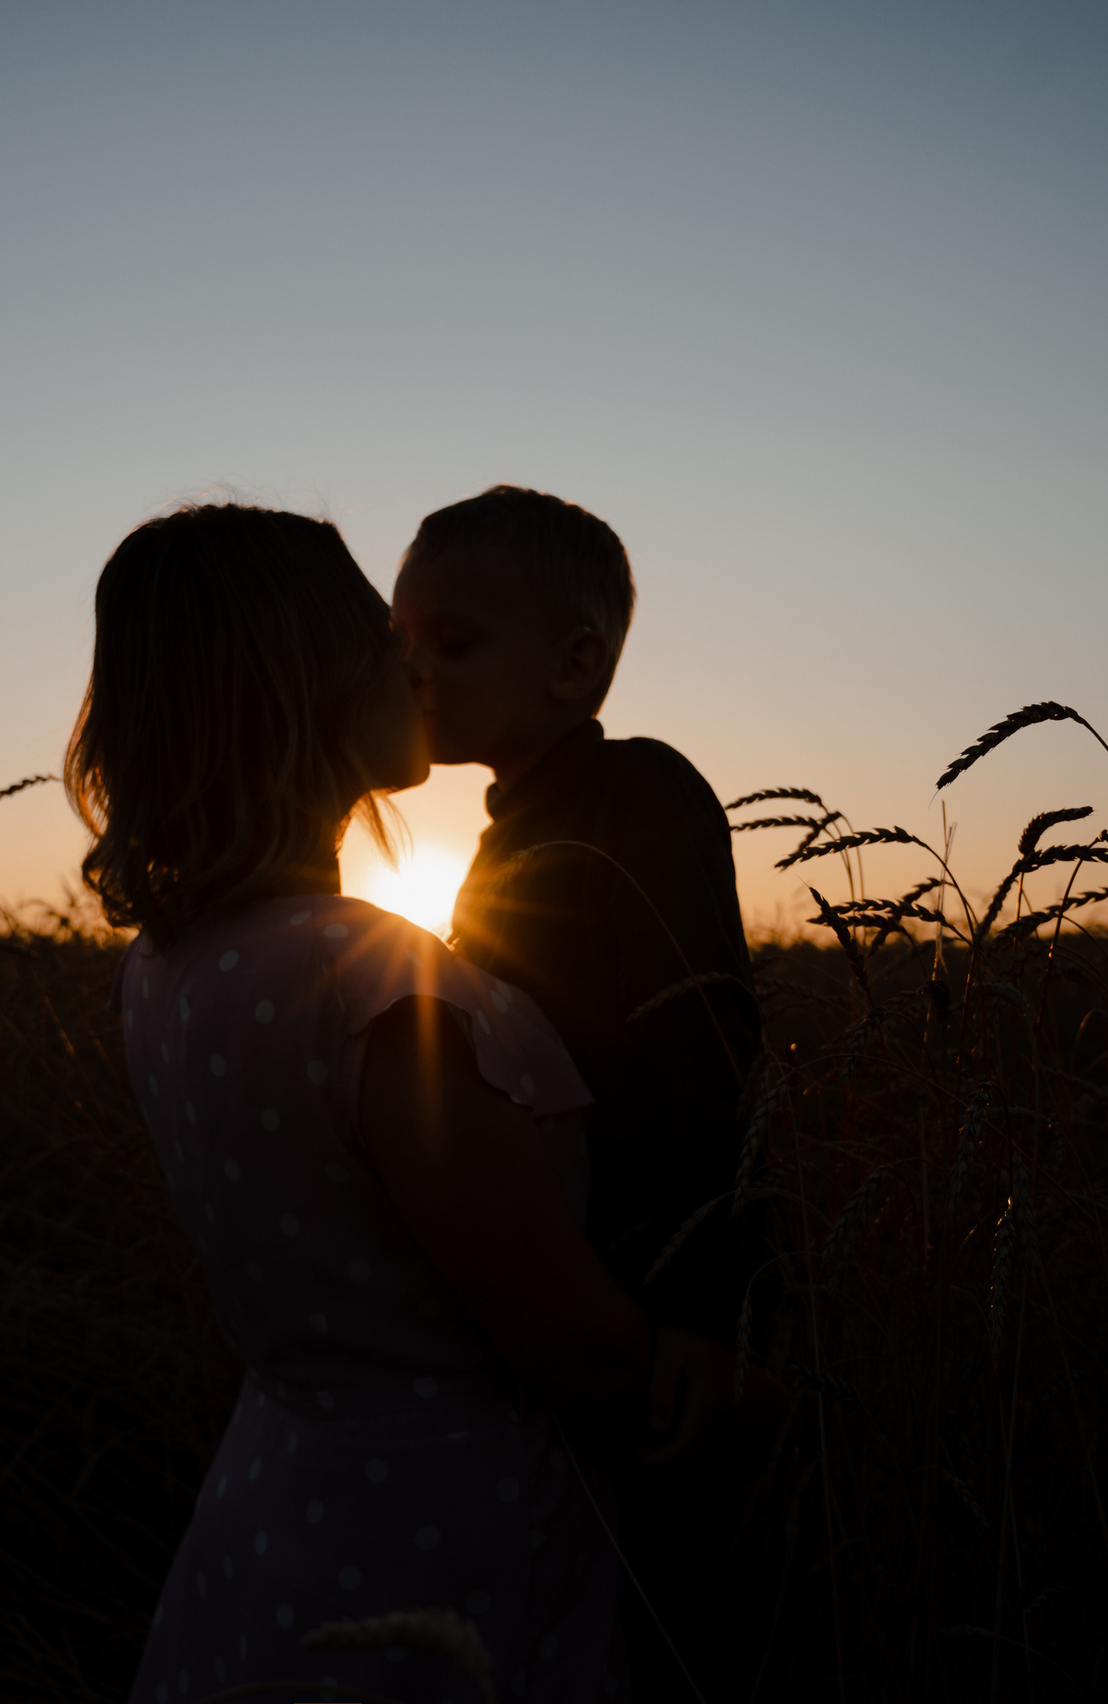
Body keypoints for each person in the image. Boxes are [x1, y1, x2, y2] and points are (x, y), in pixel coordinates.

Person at [68, 502, 659, 1704]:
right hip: (447, 1536)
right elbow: (564, 1333)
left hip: (276, 1509)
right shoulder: (369, 984)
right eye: (373, 632)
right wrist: (743, 1392)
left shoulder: (165, 967)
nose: (408, 655)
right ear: (300, 688)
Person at [391, 485, 788, 1701]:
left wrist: (704, 1313)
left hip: (651, 1309)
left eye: (451, 646)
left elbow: (701, 1041)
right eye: (397, 648)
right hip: (576, 1305)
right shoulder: (505, 837)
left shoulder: (641, 794)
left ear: (575, 665)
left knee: (673, 1628)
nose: (413, 676)